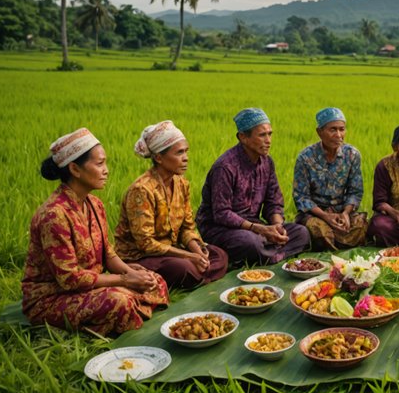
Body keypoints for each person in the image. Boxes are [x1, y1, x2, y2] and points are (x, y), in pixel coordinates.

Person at [22, 128, 168, 335]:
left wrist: (131, 273)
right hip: (53, 297)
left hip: (92, 286)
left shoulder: (95, 204)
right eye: (99, 164)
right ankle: (125, 312)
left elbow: (108, 253)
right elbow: (70, 279)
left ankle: (125, 313)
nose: (106, 170)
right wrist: (125, 280)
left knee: (155, 280)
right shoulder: (53, 216)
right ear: (75, 169)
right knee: (120, 301)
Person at [115, 121, 228, 289]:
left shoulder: (182, 184)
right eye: (179, 152)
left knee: (220, 255)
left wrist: (196, 250)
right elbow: (146, 243)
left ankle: (197, 275)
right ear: (159, 158)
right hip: (141, 256)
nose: (186, 158)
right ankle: (194, 275)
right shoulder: (142, 190)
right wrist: (188, 257)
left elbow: (187, 227)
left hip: (171, 249)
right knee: (184, 268)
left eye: (186, 151)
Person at [196, 108, 310, 266]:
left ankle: (268, 255)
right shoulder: (225, 167)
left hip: (255, 226)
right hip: (222, 229)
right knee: (250, 242)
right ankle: (272, 254)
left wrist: (277, 226)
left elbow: (273, 201)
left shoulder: (267, 163)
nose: (268, 140)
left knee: (302, 233)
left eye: (270, 134)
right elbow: (222, 213)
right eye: (262, 135)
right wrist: (260, 229)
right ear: (243, 137)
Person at [293, 107, 368, 249]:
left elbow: (355, 191)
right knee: (318, 230)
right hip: (315, 213)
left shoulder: (352, 155)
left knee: (360, 225)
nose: (339, 135)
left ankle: (335, 243)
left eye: (342, 129)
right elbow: (301, 197)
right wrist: (325, 216)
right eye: (333, 130)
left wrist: (345, 213)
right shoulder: (305, 158)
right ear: (319, 132)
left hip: (341, 211)